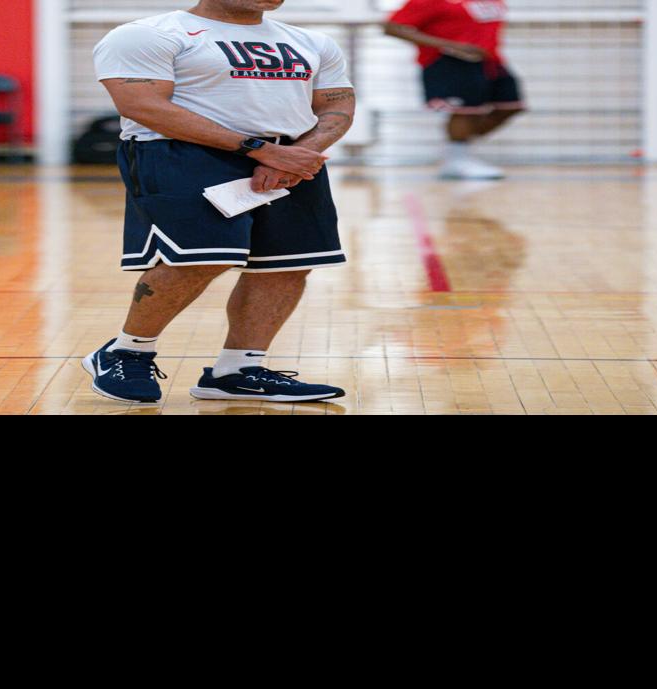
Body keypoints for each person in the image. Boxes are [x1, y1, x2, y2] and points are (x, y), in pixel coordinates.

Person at [87, 0, 354, 403]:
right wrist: (260, 150)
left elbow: (337, 103)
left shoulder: (311, 41)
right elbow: (142, 105)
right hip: (184, 152)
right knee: (200, 258)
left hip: (289, 154)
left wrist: (300, 153)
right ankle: (126, 352)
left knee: (288, 264)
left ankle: (238, 369)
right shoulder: (147, 34)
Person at [384, 0, 524, 180]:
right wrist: (451, 44)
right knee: (465, 112)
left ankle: (456, 149)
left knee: (510, 106)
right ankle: (457, 160)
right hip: (449, 59)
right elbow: (392, 28)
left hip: (490, 59)